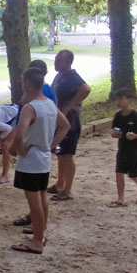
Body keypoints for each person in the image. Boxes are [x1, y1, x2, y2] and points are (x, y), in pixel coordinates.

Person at [10, 68, 70, 255]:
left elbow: (19, 135)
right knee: (42, 196)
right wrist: (51, 145)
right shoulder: (50, 104)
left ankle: (36, 241)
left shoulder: (31, 108)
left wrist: (20, 150)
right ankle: (39, 232)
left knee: (34, 200)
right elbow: (65, 126)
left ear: (27, 84)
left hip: (31, 159)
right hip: (44, 157)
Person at [48, 50, 91, 202]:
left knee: (67, 154)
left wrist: (70, 106)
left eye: (59, 60)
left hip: (70, 120)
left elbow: (86, 89)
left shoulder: (73, 76)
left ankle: (67, 190)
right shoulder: (60, 75)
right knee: (60, 153)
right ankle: (59, 184)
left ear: (68, 62)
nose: (56, 63)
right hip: (61, 119)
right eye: (55, 59)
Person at [108, 89, 137, 207]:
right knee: (119, 173)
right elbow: (116, 130)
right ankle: (120, 198)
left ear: (129, 100)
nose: (118, 102)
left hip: (136, 150)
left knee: (134, 175)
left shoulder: (136, 116)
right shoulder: (118, 116)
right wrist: (115, 134)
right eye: (117, 99)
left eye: (121, 99)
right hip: (123, 148)